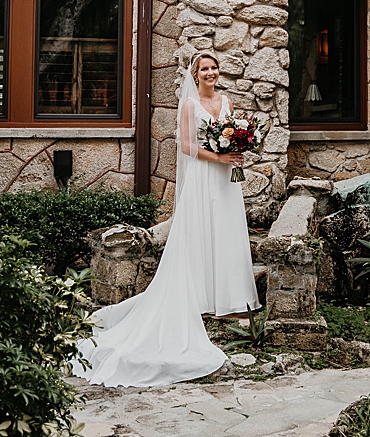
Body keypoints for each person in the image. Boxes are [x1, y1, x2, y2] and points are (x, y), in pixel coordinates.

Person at [73, 51, 260, 387]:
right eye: (204, 69)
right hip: (204, 176)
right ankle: (201, 298)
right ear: (195, 74)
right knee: (201, 234)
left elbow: (231, 135)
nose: (210, 72)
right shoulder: (190, 106)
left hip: (226, 180)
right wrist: (220, 157)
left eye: (214, 67)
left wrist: (237, 148)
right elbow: (187, 147)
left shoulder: (227, 100)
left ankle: (228, 300)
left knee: (226, 233)